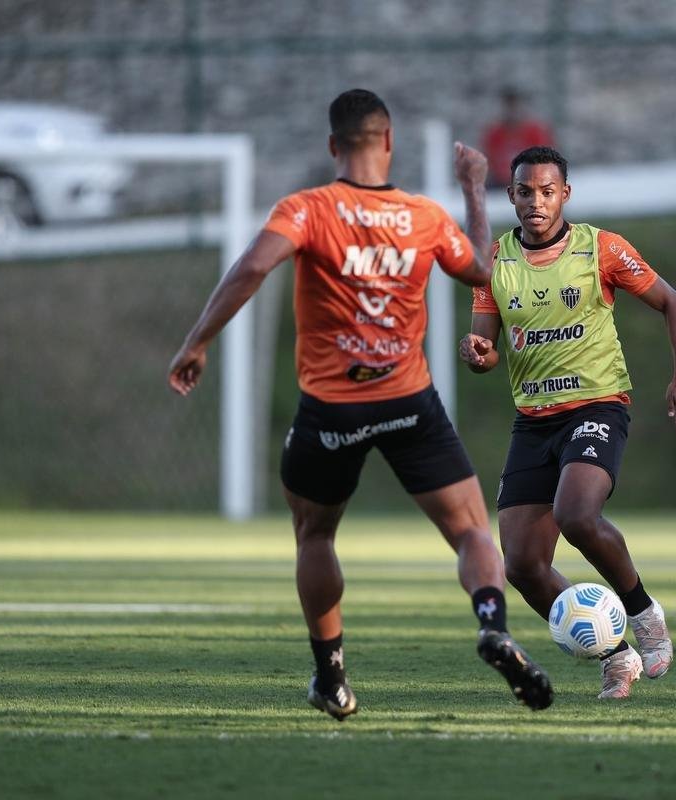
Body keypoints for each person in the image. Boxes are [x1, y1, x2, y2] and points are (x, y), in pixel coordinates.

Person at [168, 89, 552, 718]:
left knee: (314, 534)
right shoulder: (423, 216)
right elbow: (483, 268)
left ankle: (332, 678)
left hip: (331, 410)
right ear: (389, 141)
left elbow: (250, 269)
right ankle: (492, 624)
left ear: (332, 146)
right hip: (409, 401)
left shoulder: (308, 210)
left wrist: (197, 342)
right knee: (470, 532)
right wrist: (474, 185)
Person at [458, 145, 676, 699]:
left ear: (564, 194)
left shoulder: (601, 249)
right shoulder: (493, 262)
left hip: (596, 406)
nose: (535, 202)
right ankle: (616, 656)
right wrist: (477, 353)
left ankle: (642, 611)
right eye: (524, 191)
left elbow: (674, 304)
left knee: (577, 513)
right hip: (532, 421)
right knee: (520, 564)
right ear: (511, 195)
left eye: (547, 191)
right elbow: (487, 348)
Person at [481, 88, 555, 188]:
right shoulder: (494, 134)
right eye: (508, 107)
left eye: (515, 107)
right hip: (499, 185)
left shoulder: (535, 133)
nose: (512, 112)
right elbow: (487, 161)